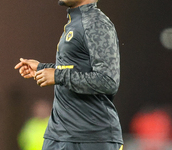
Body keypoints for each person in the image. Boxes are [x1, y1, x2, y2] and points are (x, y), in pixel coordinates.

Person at [15, 0, 123, 149]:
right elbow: (75, 68)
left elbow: (108, 80)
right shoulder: (76, 22)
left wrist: (58, 76)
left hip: (91, 137)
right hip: (59, 135)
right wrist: (42, 68)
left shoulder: (96, 22)